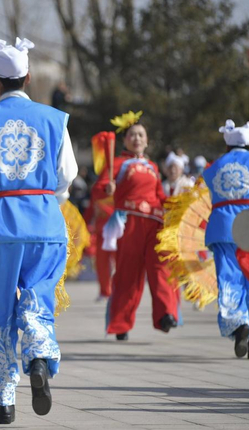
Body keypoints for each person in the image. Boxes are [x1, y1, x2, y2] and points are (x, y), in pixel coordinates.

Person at [0, 38, 78, 424]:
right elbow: (67, 175)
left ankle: (4, 399)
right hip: (45, 221)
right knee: (39, 295)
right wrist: (46, 198)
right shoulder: (54, 119)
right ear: (28, 77)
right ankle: (39, 357)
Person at [98, 112, 179, 340]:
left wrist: (179, 204)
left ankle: (165, 315)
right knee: (128, 274)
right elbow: (101, 187)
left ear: (147, 140)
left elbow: (160, 196)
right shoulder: (118, 164)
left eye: (141, 135)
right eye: (132, 135)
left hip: (155, 224)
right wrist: (107, 188)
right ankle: (120, 324)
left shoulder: (152, 166)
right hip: (129, 223)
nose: (137, 139)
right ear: (125, 140)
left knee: (161, 268)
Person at [203, 120, 249, 359]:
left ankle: (239, 325)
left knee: (229, 278)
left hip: (223, 227)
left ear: (227, 147)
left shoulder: (213, 167)